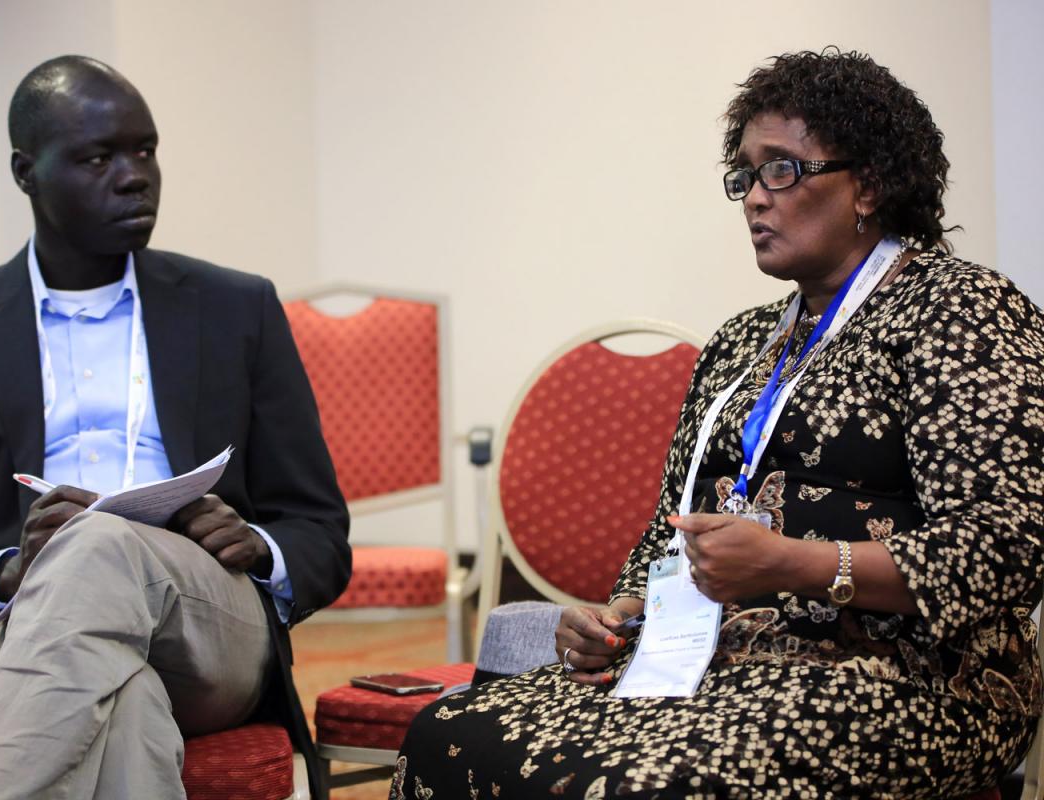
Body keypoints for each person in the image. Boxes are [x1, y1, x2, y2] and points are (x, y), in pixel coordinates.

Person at [392, 48, 1044, 799]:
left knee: (642, 781)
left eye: (783, 169)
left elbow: (1008, 546)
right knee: (451, 733)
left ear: (867, 184)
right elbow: (672, 531)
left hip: (911, 678)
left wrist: (794, 564)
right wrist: (620, 612)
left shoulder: (959, 312)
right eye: (745, 175)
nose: (755, 199)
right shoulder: (741, 342)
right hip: (718, 659)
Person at [0, 55, 350, 800]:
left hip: (210, 624)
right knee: (125, 707)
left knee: (100, 543)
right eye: (97, 157)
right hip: (25, 627)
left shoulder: (235, 309)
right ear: (26, 172)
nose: (134, 175)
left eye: (144, 150)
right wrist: (8, 573)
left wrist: (259, 545)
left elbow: (319, 528)